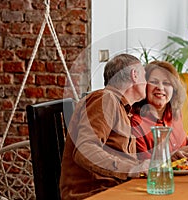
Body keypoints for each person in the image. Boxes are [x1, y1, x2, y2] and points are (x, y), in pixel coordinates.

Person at [60, 54, 149, 200]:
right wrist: (131, 169)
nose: (147, 83)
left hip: (116, 190)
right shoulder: (105, 99)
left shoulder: (120, 107)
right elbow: (85, 151)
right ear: (135, 75)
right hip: (94, 194)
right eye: (144, 77)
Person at [131, 60, 188, 161]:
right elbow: (142, 163)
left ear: (174, 89)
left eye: (166, 83)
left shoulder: (174, 112)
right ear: (144, 86)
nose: (160, 87)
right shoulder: (135, 123)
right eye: (154, 82)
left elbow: (179, 138)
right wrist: (176, 154)